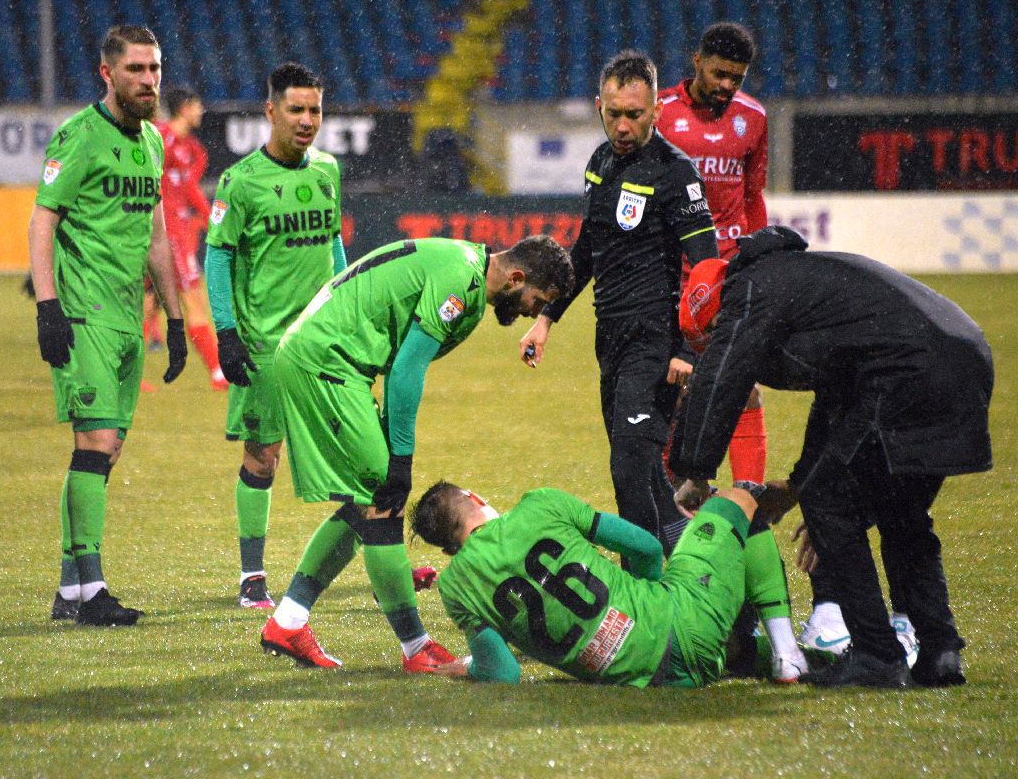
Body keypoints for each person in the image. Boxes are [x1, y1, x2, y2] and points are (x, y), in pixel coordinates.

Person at [671, 226, 993, 688]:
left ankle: (878, 655)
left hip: (907, 372)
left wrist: (695, 471)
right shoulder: (800, 285)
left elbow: (726, 375)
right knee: (902, 512)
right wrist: (797, 484)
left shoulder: (748, 292)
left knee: (832, 502)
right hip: (962, 357)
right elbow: (839, 396)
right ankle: (941, 652)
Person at [260, 235, 574, 672]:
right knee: (384, 498)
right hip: (327, 364)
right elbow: (406, 370)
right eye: (537, 301)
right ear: (516, 278)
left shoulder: (461, 264)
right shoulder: (459, 283)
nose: (532, 312)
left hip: (331, 360)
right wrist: (402, 460)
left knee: (367, 499)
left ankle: (289, 622)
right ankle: (416, 648)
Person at [656, 22, 810, 681]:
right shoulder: (659, 114)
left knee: (742, 407)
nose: (726, 87)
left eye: (736, 78)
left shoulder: (752, 119)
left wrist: (756, 269)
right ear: (696, 62)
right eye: (717, 73)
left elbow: (751, 199)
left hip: (732, 284)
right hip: (672, 286)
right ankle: (704, 598)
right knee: (675, 436)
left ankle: (756, 621)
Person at [520, 51, 719, 558]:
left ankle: (645, 594)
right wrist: (546, 318)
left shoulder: (676, 174)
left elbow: (707, 269)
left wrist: (689, 352)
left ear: (656, 109)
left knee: (631, 469)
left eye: (635, 113)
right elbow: (587, 251)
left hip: (656, 342)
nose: (623, 125)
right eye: (614, 113)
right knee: (647, 476)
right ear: (599, 107)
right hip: (609, 339)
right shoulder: (600, 163)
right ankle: (702, 570)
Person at [29, 25, 186, 626]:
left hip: (127, 318)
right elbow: (42, 222)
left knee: (107, 450)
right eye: (137, 70)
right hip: (83, 312)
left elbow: (156, 236)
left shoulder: (151, 142)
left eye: (154, 69)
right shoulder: (79, 137)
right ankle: (91, 590)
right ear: (108, 74)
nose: (149, 81)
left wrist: (174, 317)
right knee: (94, 446)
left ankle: (69, 593)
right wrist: (48, 307)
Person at [204, 62, 347, 609]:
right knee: (264, 457)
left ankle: (383, 559)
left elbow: (333, 246)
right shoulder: (240, 183)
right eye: (296, 109)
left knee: (356, 451)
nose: (308, 120)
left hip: (321, 342)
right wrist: (226, 332)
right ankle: (252, 576)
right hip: (264, 344)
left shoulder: (327, 172)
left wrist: (344, 307)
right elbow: (217, 257)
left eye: (315, 109)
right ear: (271, 111)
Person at [410, 481, 761, 686]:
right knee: (737, 498)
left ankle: (782, 656)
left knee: (730, 651)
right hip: (684, 622)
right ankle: (787, 642)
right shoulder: (540, 504)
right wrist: (651, 612)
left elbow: (503, 673)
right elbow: (647, 548)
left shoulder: (454, 586)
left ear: (447, 549)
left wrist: (470, 669)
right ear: (476, 498)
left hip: (659, 680)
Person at [142, 86, 226, 391]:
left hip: (175, 231)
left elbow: (189, 189)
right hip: (163, 232)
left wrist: (210, 219)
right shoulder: (157, 136)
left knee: (151, 300)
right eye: (198, 105)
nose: (201, 112)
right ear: (185, 107)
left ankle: (217, 371)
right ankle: (217, 372)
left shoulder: (193, 150)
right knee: (189, 299)